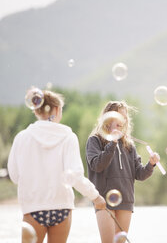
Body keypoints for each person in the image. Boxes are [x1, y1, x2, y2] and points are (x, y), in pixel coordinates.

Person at [7, 89, 106, 243]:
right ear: (57, 109)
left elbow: (14, 176)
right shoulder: (68, 137)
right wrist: (96, 196)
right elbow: (75, 177)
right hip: (62, 207)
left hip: (33, 207)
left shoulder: (22, 138)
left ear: (36, 111)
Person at [86, 101, 159, 243]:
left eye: (125, 117)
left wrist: (151, 164)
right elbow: (97, 165)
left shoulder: (129, 146)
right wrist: (112, 143)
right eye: (119, 116)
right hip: (104, 200)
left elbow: (139, 174)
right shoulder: (95, 140)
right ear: (108, 118)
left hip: (125, 200)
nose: (123, 120)